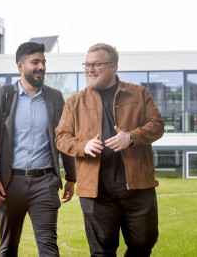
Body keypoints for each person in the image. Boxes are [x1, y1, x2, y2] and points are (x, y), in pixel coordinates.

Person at [55, 43, 165, 257]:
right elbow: (61, 137)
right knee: (101, 251)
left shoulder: (139, 94)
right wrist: (82, 146)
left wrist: (131, 138)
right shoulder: (74, 102)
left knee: (143, 244)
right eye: (87, 65)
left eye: (96, 64)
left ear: (113, 66)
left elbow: (158, 124)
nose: (90, 69)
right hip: (97, 193)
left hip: (138, 188)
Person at [0, 41, 76, 257]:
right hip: (9, 184)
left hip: (44, 182)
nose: (41, 67)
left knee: (48, 246)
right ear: (20, 65)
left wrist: (71, 177)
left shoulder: (55, 97)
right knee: (8, 247)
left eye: (43, 62)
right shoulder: (2, 96)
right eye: (35, 62)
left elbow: (64, 136)